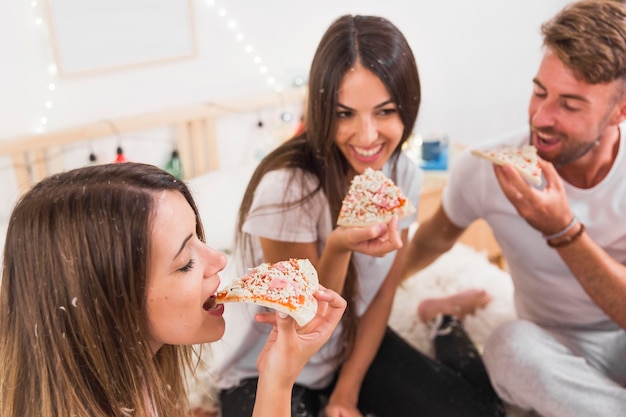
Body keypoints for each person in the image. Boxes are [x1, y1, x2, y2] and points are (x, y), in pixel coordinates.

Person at [211, 14, 504, 417]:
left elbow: (384, 291)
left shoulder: (403, 174)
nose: (367, 137)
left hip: (351, 346)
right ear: (320, 109)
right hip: (272, 367)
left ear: (408, 106)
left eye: (384, 112)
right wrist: (339, 245)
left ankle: (438, 315)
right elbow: (306, 323)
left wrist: (347, 392)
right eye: (344, 114)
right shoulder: (286, 189)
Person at [403, 1, 626, 416]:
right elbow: (428, 242)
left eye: (570, 105)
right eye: (540, 91)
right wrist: (355, 293)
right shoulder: (486, 169)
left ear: (620, 111)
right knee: (506, 347)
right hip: (548, 347)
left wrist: (564, 231)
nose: (541, 117)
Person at [0, 162, 346, 417]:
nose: (219, 260)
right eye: (185, 262)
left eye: (199, 237)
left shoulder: (134, 382)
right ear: (106, 301)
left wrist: (277, 378)